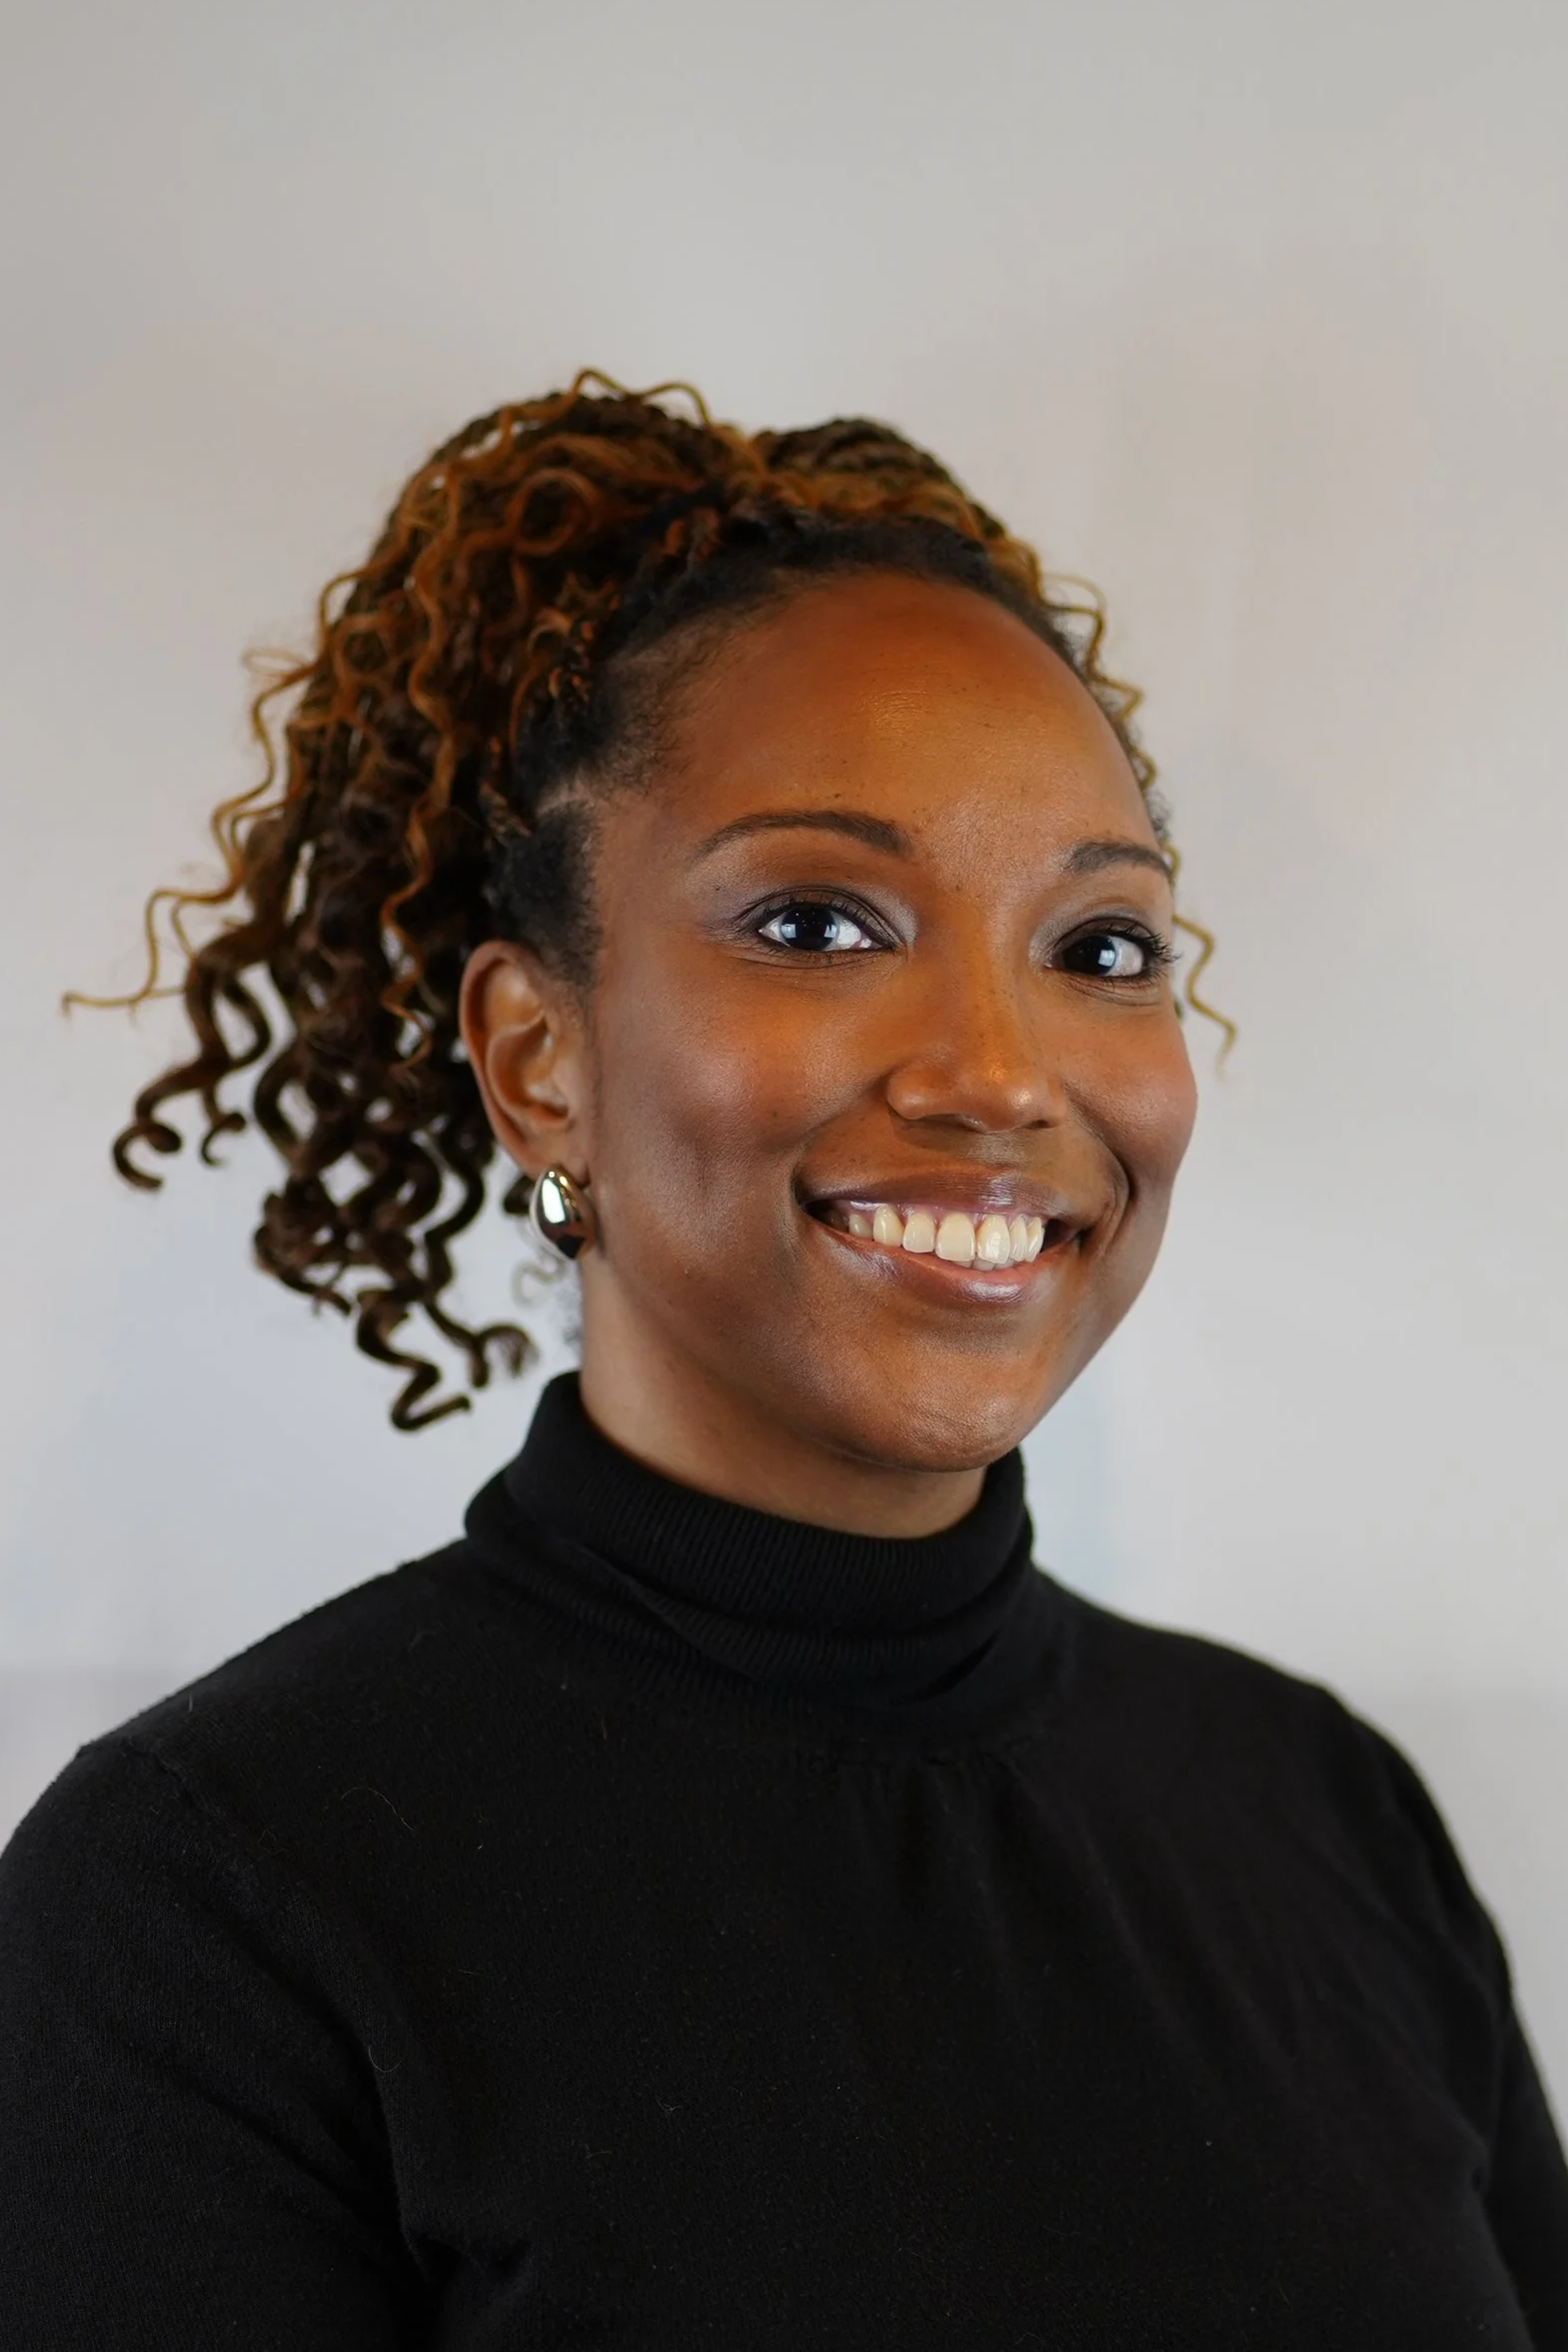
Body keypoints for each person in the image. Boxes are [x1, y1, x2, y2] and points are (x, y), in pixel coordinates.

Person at [2, 375, 1563, 2349]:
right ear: (535, 1059)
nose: (997, 1074)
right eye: (820, 922)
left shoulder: (1324, 1814)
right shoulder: (212, 1905)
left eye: (1099, 948)